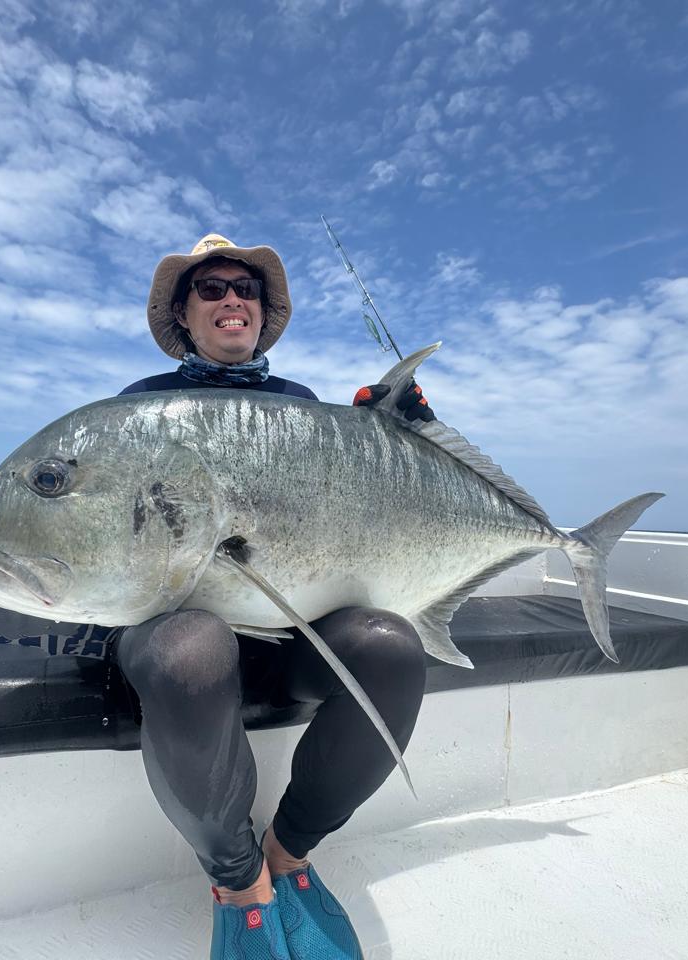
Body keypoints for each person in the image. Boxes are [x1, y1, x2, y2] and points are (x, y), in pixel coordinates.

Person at [111, 234, 434, 960]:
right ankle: (239, 886)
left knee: (391, 649)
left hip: (284, 634)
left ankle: (289, 854)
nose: (232, 299)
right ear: (183, 315)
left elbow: (360, 519)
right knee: (194, 649)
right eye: (211, 288)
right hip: (174, 631)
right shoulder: (140, 410)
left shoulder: (303, 410)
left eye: (245, 288)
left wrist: (399, 439)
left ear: (262, 311)